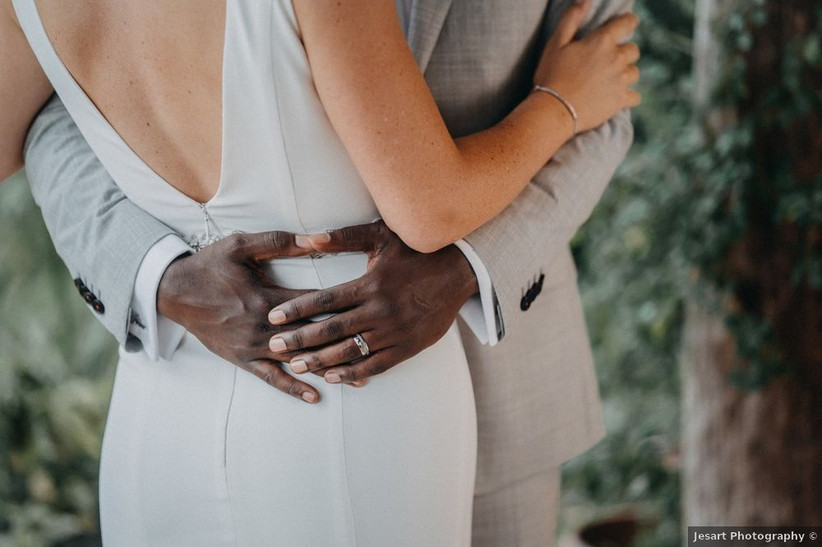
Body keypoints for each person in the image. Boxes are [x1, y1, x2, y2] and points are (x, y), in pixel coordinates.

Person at [1, 0, 638, 545]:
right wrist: (562, 103)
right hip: (357, 408)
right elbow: (431, 207)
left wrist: (467, 270)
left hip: (165, 410)